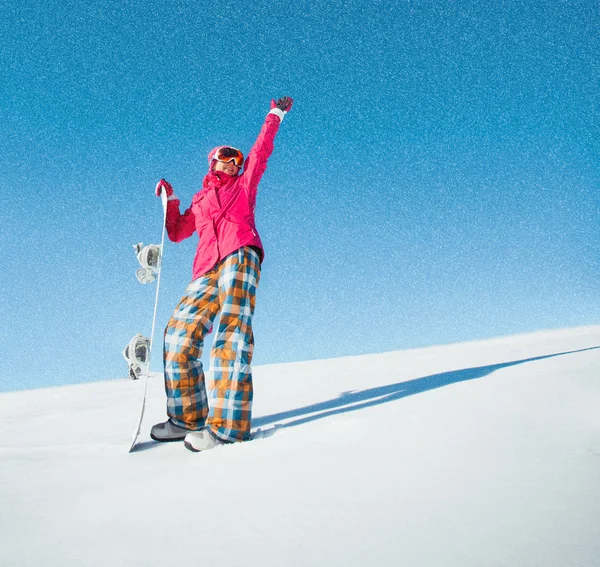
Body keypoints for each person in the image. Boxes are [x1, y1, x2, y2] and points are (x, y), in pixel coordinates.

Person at [150, 96, 293, 452]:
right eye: (226, 157)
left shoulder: (243, 187)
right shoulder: (200, 201)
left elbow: (260, 154)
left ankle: (228, 427)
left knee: (231, 331)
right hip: (204, 269)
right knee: (177, 336)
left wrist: (273, 116)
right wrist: (171, 201)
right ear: (213, 161)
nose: (233, 163)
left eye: (237, 160)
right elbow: (178, 232)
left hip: (240, 254)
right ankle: (186, 417)